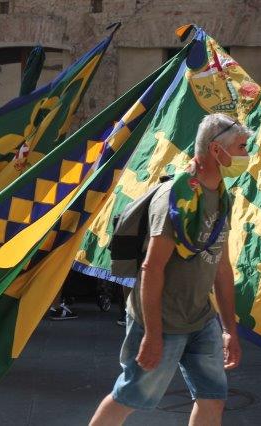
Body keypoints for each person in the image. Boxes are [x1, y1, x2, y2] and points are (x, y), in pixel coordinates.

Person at [90, 113, 246, 426]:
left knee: (213, 398)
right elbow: (152, 268)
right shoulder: (174, 198)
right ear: (217, 150)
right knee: (129, 396)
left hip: (200, 319)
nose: (246, 155)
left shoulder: (222, 197)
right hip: (162, 320)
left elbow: (222, 268)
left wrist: (229, 329)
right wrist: (152, 334)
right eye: (241, 147)